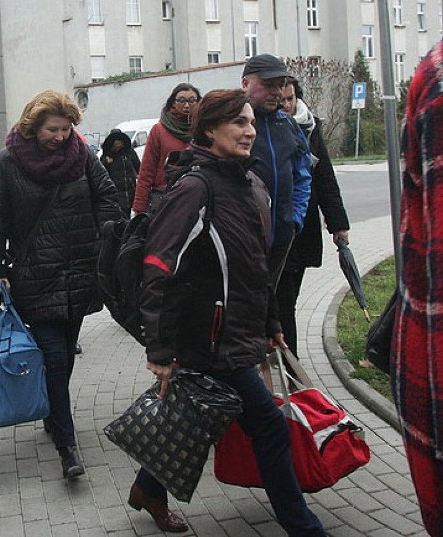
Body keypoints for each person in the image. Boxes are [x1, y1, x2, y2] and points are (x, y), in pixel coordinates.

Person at [133, 88, 325, 536]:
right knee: (269, 428)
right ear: (209, 130)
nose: (249, 130)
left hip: (238, 332)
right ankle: (303, 526)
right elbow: (158, 267)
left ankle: (149, 487)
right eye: (238, 123)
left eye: (251, 122)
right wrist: (159, 351)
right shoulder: (195, 188)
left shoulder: (251, 183)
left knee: (195, 422)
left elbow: (257, 265)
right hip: (208, 338)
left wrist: (272, 322)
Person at [0, 89, 120, 480]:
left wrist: (102, 240)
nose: (60, 136)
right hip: (35, 275)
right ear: (33, 127)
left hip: (79, 270)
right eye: (52, 129)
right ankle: (67, 443)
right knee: (54, 357)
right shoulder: (8, 164)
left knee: (65, 357)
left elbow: (108, 199)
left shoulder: (82, 156)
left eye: (66, 128)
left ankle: (53, 413)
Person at [393, 39, 443, 537]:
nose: (250, 130)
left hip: (287, 262)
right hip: (221, 320)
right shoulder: (195, 183)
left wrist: (336, 226)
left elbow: (317, 179)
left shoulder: (296, 130)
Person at [276, 80, 350, 354]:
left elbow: (324, 176)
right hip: (276, 224)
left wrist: (338, 223)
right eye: (280, 100)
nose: (286, 105)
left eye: (290, 98)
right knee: (282, 299)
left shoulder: (311, 126)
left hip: (304, 225)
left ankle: (280, 347)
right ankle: (290, 361)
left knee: (290, 295)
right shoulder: (263, 128)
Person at [241, 54, 312, 285]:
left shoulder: (289, 125)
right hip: (243, 241)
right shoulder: (232, 123)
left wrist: (295, 219)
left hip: (282, 237)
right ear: (245, 84)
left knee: (273, 307)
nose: (277, 92)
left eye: (280, 85)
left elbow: (302, 175)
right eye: (268, 85)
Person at [132, 83, 201, 216]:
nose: (187, 105)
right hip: (164, 196)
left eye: (192, 101)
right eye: (181, 100)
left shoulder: (203, 128)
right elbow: (147, 170)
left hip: (197, 195)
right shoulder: (159, 130)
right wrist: (139, 208)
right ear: (172, 103)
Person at [100, 128, 140, 214]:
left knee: (128, 212)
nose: (118, 145)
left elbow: (138, 166)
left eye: (120, 143)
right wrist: (107, 162)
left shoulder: (129, 152)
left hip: (130, 189)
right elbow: (100, 172)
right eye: (116, 143)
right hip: (116, 191)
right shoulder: (107, 155)